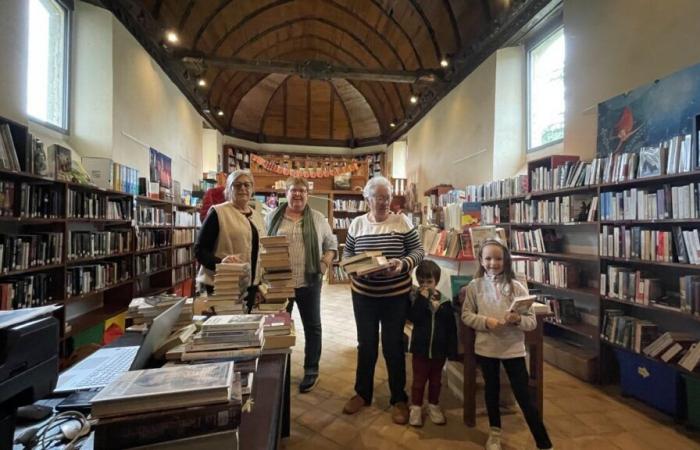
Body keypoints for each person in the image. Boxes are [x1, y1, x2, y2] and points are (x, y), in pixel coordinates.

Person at [342, 176, 425, 425]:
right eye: (378, 197)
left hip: (394, 297)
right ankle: (362, 393)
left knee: (393, 346)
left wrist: (402, 264)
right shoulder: (357, 224)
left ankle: (398, 398)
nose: (383, 202)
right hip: (364, 296)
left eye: (387, 197)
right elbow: (347, 253)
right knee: (365, 344)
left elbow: (419, 252)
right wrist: (357, 268)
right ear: (367, 199)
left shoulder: (402, 221)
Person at [461, 239, 553, 450]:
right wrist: (486, 322)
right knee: (491, 391)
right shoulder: (474, 286)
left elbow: (530, 322)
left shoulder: (517, 288)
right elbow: (466, 315)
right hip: (486, 349)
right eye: (488, 258)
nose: (493, 263)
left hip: (513, 350)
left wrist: (517, 320)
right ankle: (494, 432)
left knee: (523, 394)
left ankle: (543, 441)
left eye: (498, 258)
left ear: (506, 260)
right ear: (481, 260)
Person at [266, 177, 337, 393]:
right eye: (293, 190)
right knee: (277, 328)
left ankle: (311, 370)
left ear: (308, 194)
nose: (298, 194)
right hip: (280, 282)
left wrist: (325, 262)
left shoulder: (318, 218)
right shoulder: (271, 217)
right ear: (286, 193)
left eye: (302, 191)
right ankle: (275, 369)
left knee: (312, 328)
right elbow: (262, 244)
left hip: (309, 282)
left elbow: (331, 244)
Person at [195, 170, 265, 309]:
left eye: (247, 185)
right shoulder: (218, 213)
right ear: (228, 189)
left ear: (252, 189)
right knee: (226, 329)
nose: (243, 188)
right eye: (237, 185)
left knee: (245, 328)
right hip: (224, 285)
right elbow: (200, 250)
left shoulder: (257, 216)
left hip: (251, 285)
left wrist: (259, 284)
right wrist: (221, 263)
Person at [407, 260, 457, 427]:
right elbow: (414, 318)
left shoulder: (445, 303)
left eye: (429, 281)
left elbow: (451, 328)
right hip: (420, 350)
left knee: (436, 381)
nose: (425, 285)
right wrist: (422, 300)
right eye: (421, 282)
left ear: (436, 281)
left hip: (439, 351)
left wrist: (452, 350)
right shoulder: (417, 300)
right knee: (418, 381)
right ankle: (416, 407)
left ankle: (434, 405)